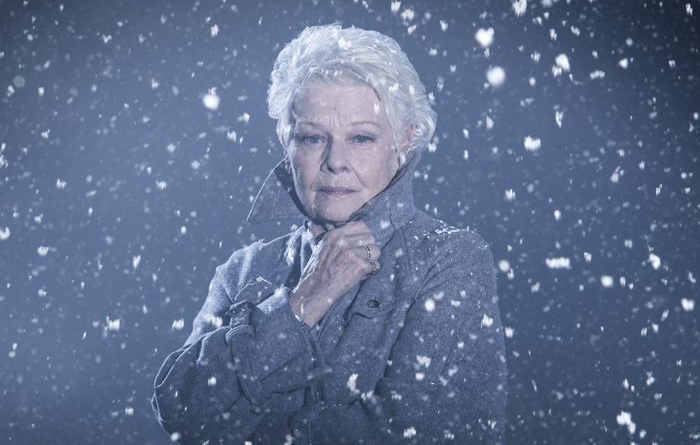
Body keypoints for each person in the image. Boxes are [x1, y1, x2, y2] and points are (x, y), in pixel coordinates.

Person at [152, 24, 506, 444]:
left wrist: (250, 427)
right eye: (312, 137)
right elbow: (180, 410)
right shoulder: (243, 271)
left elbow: (424, 435)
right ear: (287, 145)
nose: (335, 160)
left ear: (405, 140)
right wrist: (301, 303)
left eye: (361, 137)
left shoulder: (449, 259)